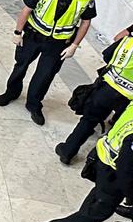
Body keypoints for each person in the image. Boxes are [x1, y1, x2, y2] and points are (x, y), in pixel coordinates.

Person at [0, 0, 95, 126]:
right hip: (33, 36)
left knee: (45, 75)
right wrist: (18, 32)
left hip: (58, 42)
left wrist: (74, 45)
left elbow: (86, 22)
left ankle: (34, 104)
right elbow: (27, 9)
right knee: (20, 65)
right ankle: (11, 92)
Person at [38, 99, 133, 222]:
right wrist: (131, 194)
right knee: (101, 210)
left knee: (98, 197)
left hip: (106, 157)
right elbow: (126, 167)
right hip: (114, 170)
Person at [57, 26, 133, 165]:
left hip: (108, 89)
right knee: (116, 130)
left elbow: (109, 52)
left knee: (88, 120)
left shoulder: (129, 42)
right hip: (128, 100)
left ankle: (67, 151)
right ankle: (99, 161)